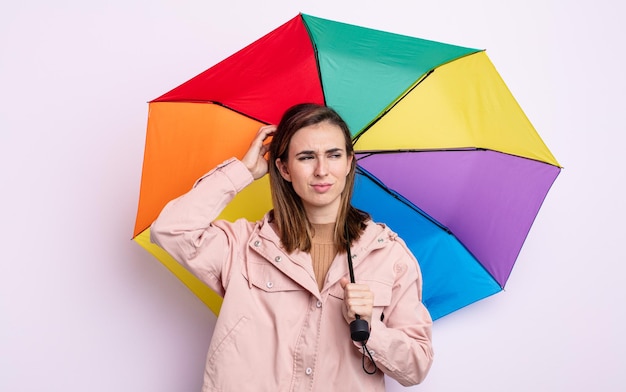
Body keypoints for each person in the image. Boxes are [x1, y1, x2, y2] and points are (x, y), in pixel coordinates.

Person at [150, 103, 434, 391]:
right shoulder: (244, 247)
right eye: (306, 157)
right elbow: (171, 229)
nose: (322, 170)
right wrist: (243, 171)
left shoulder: (388, 255)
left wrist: (371, 330)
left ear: (349, 163)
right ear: (284, 168)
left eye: (334, 155)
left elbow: (416, 367)